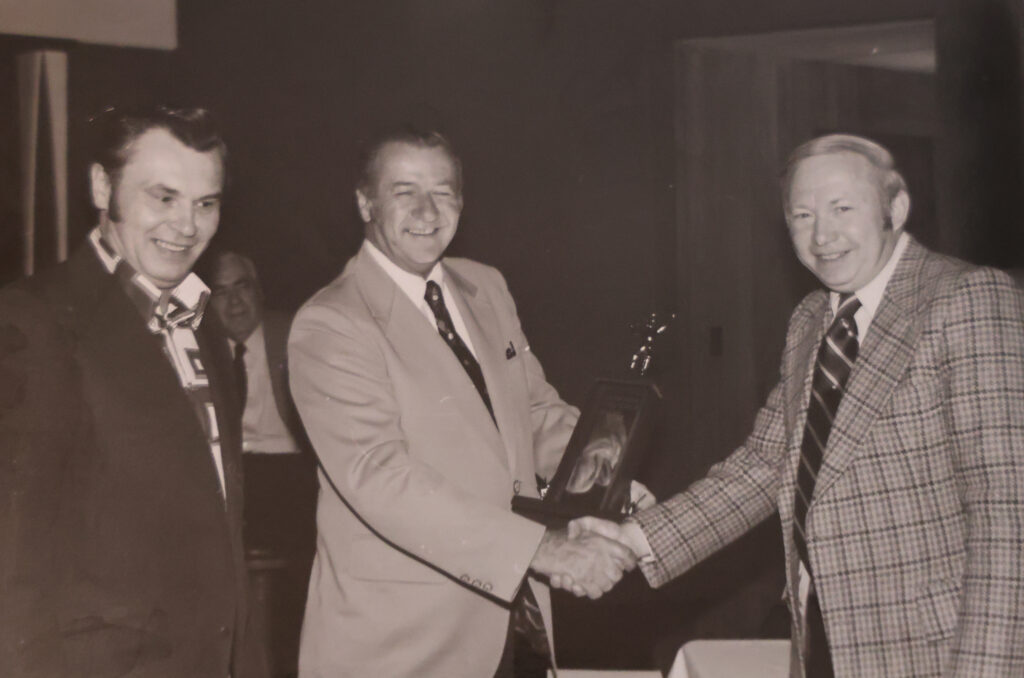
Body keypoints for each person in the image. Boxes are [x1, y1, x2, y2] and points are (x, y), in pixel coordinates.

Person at [571, 134, 1024, 677]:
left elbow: (1007, 513)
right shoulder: (812, 318)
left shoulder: (967, 299)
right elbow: (767, 465)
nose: (822, 235)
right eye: (802, 215)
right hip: (823, 638)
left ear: (895, 209)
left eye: (842, 209)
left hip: (936, 648)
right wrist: (634, 537)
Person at [287, 127, 637, 677]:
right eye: (404, 191)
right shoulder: (332, 323)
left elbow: (534, 412)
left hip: (514, 628)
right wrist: (539, 551)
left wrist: (611, 475)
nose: (427, 210)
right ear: (365, 202)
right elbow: (380, 478)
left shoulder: (485, 286)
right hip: (403, 644)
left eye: (443, 191)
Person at [0, 106, 267, 678]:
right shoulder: (33, 322)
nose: (186, 226)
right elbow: (13, 560)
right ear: (103, 187)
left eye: (206, 203)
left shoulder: (203, 323)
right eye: (163, 197)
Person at [207, 250, 317, 673]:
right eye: (219, 292)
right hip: (231, 474)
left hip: (290, 471)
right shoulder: (202, 345)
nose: (234, 303)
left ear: (260, 291)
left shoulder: (293, 334)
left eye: (242, 287)